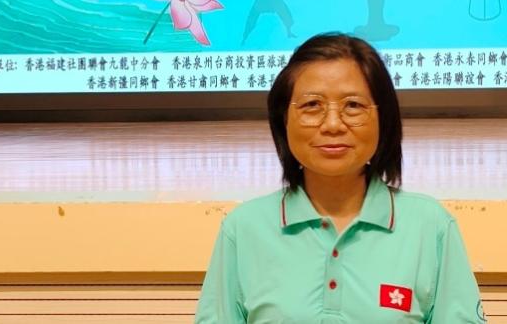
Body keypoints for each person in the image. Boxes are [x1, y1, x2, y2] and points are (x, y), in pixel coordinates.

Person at [195, 33, 486, 323]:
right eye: (312, 105)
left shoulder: (429, 225)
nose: (333, 124)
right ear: (283, 120)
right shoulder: (244, 228)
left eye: (353, 105)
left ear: (383, 119)